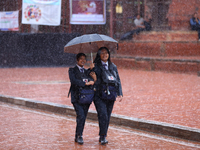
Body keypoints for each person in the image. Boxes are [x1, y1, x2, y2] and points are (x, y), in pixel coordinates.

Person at [91, 47, 123, 145]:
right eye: (102, 53)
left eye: (106, 53)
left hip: (111, 94)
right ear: (99, 55)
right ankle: (103, 136)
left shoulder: (113, 66)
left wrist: (120, 93)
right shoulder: (95, 66)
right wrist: (91, 70)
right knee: (103, 114)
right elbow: (92, 80)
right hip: (99, 95)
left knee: (107, 116)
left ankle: (103, 135)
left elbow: (118, 80)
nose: (105, 55)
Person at [68, 53, 96, 145]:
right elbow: (74, 81)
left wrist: (93, 73)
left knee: (82, 117)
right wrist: (85, 83)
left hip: (86, 98)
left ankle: (77, 135)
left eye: (84, 59)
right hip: (76, 97)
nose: (83, 61)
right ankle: (80, 136)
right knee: (81, 116)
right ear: (77, 60)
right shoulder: (72, 70)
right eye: (81, 59)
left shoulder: (87, 71)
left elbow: (92, 80)